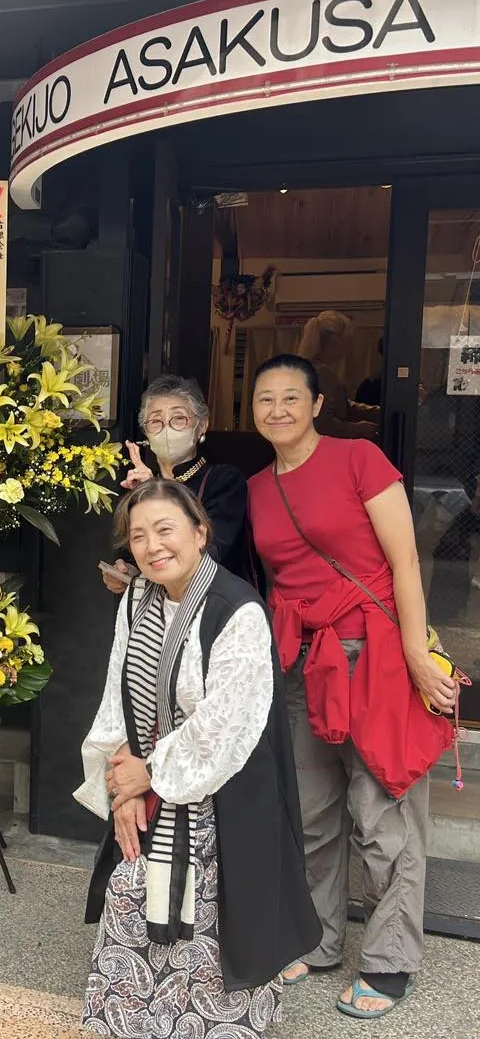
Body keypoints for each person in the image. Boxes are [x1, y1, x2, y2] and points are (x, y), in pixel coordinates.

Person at [247, 353, 454, 1020]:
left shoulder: (358, 459)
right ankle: (322, 938)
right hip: (303, 664)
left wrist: (419, 652)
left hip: (373, 658)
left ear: (314, 404)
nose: (277, 410)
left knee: (383, 814)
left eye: (289, 398)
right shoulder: (256, 487)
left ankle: (391, 963)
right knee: (309, 815)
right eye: (264, 400)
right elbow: (280, 581)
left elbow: (403, 562)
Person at [76, 479, 319, 1039]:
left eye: (165, 530)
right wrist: (123, 785)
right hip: (150, 795)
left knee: (213, 929)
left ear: (200, 532)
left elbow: (224, 726)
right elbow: (118, 692)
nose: (152, 546)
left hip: (223, 796)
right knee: (136, 897)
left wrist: (151, 771)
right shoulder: (138, 597)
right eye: (138, 536)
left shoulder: (238, 610)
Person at [100, 375, 249, 594]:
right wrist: (127, 571)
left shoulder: (225, 481)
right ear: (146, 432)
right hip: (156, 615)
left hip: (211, 609)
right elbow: (135, 554)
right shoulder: (139, 486)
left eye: (179, 418)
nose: (167, 429)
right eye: (156, 421)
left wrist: (155, 493)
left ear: (202, 425)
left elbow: (209, 552)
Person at [296, 311, 379, 439]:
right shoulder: (322, 373)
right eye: (346, 341)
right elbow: (322, 423)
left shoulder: (303, 369)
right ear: (335, 341)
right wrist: (357, 429)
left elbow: (341, 405)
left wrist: (376, 412)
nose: (347, 347)